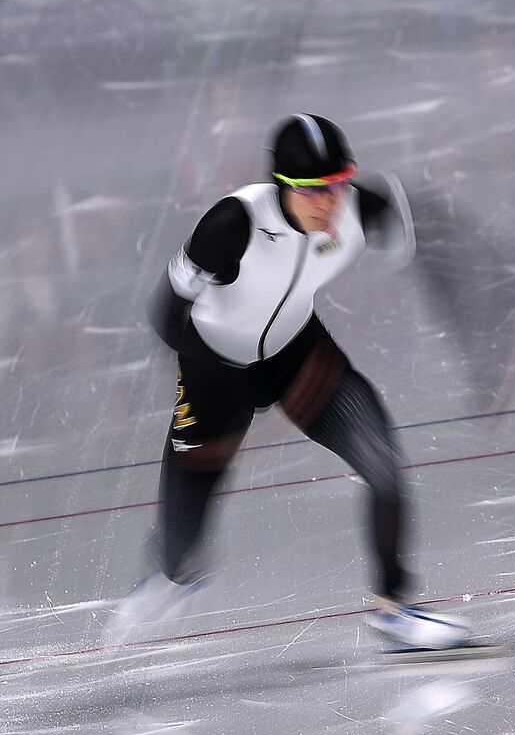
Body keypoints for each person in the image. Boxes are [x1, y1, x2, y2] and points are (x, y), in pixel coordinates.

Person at [108, 113, 478, 654]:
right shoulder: (232, 224)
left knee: (383, 467)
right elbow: (167, 315)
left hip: (296, 353)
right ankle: (174, 571)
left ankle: (394, 610)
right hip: (215, 368)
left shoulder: (359, 207)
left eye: (338, 185)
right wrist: (206, 380)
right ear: (283, 187)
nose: (330, 204)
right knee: (180, 546)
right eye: (313, 192)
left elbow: (434, 251)